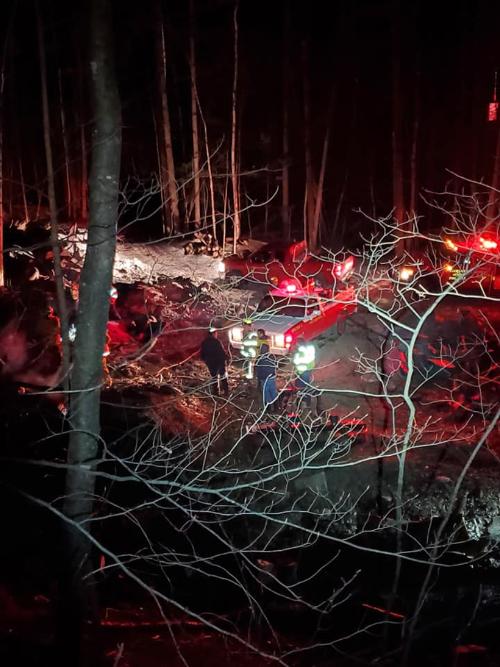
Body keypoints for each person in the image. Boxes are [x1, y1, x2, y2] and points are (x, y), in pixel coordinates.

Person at [200, 327, 229, 396]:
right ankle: (226, 391)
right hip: (219, 361)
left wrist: (205, 360)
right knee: (222, 376)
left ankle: (215, 392)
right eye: (216, 333)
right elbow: (221, 352)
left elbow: (202, 354)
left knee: (214, 377)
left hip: (210, 362)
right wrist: (226, 358)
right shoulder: (216, 342)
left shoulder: (204, 342)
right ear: (213, 334)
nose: (216, 334)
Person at [292, 337, 316, 408]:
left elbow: (296, 362)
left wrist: (295, 359)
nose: (295, 345)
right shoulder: (309, 350)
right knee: (305, 387)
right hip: (307, 371)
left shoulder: (300, 353)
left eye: (296, 344)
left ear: (298, 344)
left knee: (301, 388)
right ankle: (306, 402)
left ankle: (303, 403)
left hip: (302, 372)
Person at [255, 343, 278, 408]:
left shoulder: (259, 358)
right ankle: (276, 405)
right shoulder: (272, 357)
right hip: (271, 377)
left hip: (264, 378)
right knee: (273, 390)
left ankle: (268, 407)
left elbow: (257, 368)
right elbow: (276, 365)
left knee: (266, 392)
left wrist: (258, 378)